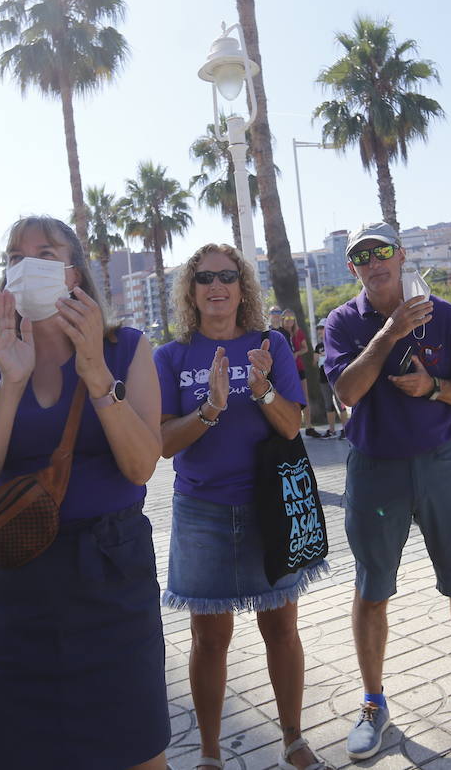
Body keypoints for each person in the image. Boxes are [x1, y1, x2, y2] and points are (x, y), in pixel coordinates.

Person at [0, 215, 169, 769]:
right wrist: (12, 381)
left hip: (111, 574)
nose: (29, 266)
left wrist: (96, 375)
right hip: (16, 581)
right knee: (15, 752)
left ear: (74, 273)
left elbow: (143, 465)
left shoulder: (127, 350)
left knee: (136, 751)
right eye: (17, 258)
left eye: (45, 253)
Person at [323, 221, 451, 760]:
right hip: (373, 470)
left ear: (400, 254)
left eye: (382, 250)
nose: (374, 261)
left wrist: (432, 388)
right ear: (353, 267)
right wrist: (389, 332)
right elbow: (345, 392)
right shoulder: (342, 322)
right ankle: (373, 703)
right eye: (362, 255)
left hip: (439, 464)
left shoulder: (443, 315)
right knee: (372, 589)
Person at [155, 244, 330, 770]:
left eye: (227, 276)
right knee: (209, 639)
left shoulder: (270, 343)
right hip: (201, 513)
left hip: (267, 510)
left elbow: (292, 426)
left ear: (241, 287)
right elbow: (163, 443)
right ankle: (210, 755)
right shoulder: (171, 356)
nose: (216, 285)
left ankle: (294, 740)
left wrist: (261, 390)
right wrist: (209, 409)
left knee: (281, 630)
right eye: (204, 276)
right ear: (190, 290)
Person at [282, 309, 322, 439]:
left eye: (291, 319)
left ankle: (309, 426)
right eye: (287, 319)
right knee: (288, 398)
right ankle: (291, 426)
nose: (289, 321)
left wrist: (297, 353)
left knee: (304, 397)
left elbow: (305, 348)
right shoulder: (279, 333)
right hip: (285, 370)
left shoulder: (298, 332)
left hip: (298, 368)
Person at [314, 320, 347, 437]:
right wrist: (318, 357)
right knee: (328, 405)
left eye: (322, 328)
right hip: (323, 379)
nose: (320, 331)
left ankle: (345, 429)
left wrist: (326, 355)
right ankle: (331, 430)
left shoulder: (334, 341)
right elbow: (314, 361)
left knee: (340, 403)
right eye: (318, 328)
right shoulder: (318, 346)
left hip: (335, 378)